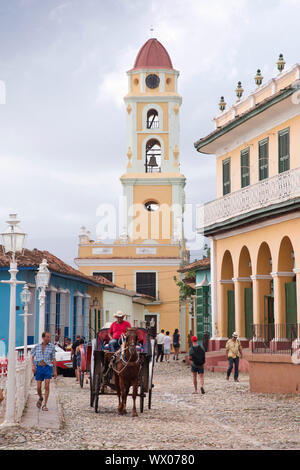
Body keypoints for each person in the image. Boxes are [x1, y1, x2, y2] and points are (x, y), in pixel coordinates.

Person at [31, 331, 57, 411]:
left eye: (49, 337)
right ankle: (41, 397)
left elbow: (54, 358)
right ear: (43, 337)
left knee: (47, 385)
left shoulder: (52, 347)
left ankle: (45, 404)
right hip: (39, 367)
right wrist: (33, 365)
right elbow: (32, 356)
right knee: (38, 387)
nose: (49, 338)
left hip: (48, 367)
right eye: (47, 337)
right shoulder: (37, 346)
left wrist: (55, 370)